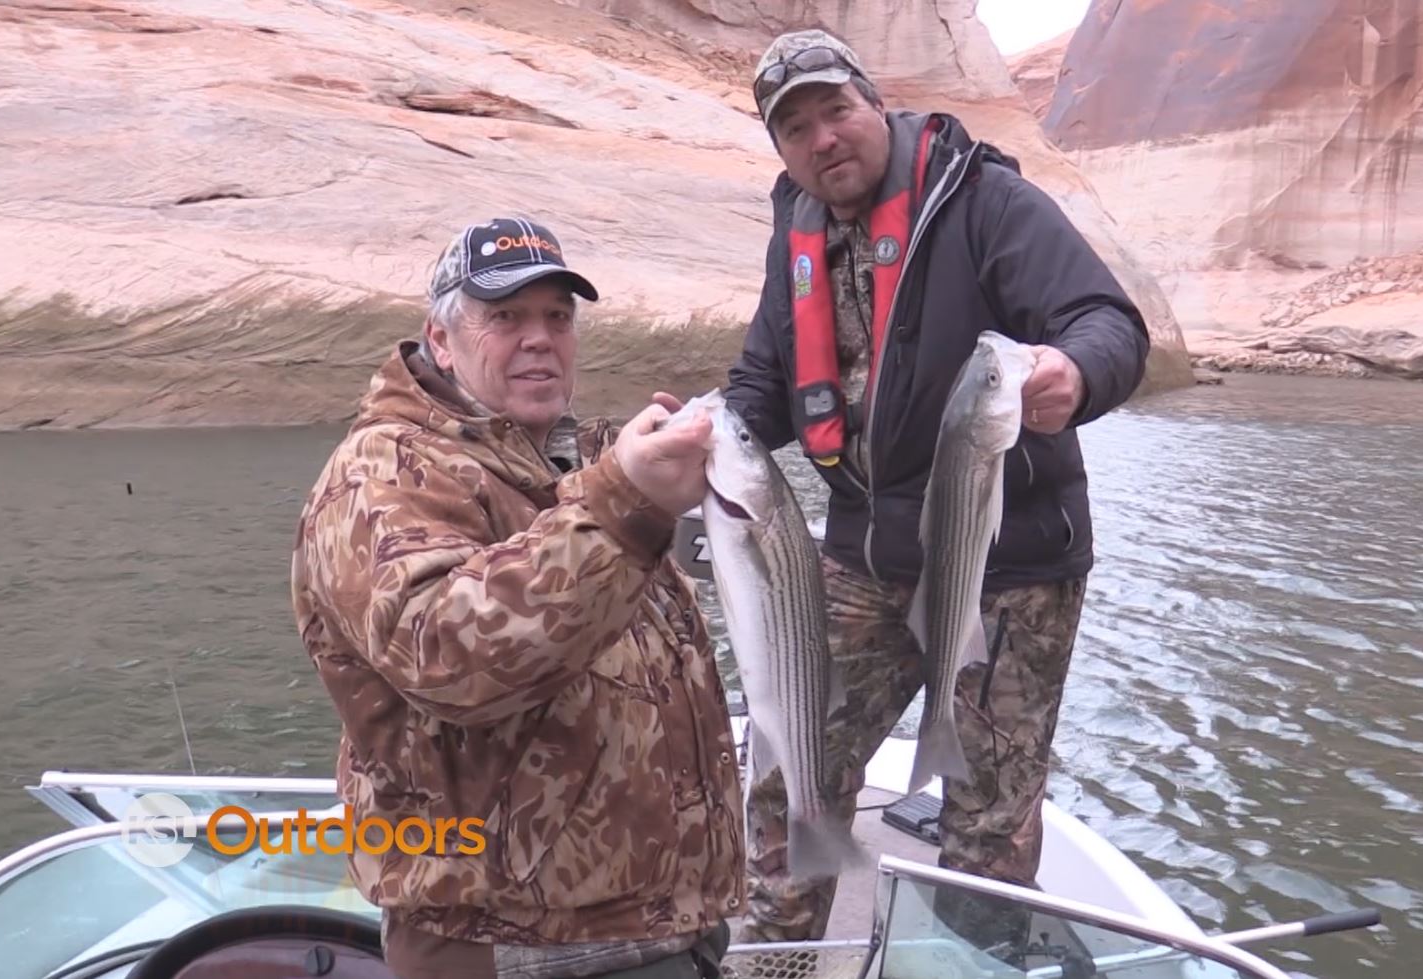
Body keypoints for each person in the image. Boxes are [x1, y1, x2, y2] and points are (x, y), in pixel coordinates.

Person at [723, 30, 1152, 950]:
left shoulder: (984, 200)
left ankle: (964, 962)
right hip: (862, 556)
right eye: (794, 126)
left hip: (1011, 565)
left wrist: (1072, 373)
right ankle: (776, 962)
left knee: (988, 822)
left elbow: (1106, 322)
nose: (822, 138)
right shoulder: (794, 232)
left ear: (876, 103)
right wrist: (703, 438)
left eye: (835, 109)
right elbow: (762, 384)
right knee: (788, 769)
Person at [291, 216, 744, 979]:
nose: (540, 338)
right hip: (517, 951)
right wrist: (624, 503)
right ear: (441, 341)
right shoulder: (382, 472)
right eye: (506, 316)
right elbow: (450, 653)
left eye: (557, 317)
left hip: (662, 929)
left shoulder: (576, 461)